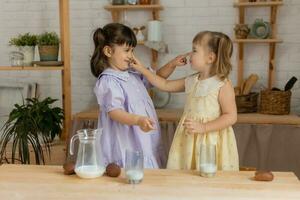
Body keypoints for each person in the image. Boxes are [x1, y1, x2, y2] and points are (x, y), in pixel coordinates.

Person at [130, 31, 239, 171]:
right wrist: (142, 69)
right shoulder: (192, 80)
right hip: (189, 138)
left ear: (210, 58)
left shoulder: (222, 84)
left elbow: (231, 116)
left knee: (210, 175)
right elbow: (164, 85)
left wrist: (204, 127)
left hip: (211, 140)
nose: (189, 54)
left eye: (194, 50)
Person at [90, 23, 189, 168]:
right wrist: (138, 120)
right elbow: (114, 112)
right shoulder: (109, 81)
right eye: (126, 50)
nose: (131, 56)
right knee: (130, 168)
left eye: (132, 51)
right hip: (126, 140)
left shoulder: (132, 74)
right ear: (108, 51)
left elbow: (156, 78)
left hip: (143, 137)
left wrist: (172, 64)